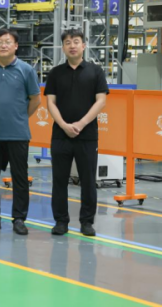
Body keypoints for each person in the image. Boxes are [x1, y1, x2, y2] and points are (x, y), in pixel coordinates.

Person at [0, 29, 41, 236]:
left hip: (18, 133)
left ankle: (19, 219)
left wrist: (20, 117)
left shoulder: (26, 70)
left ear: (16, 46)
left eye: (7, 42)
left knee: (20, 178)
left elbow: (36, 99)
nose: (3, 45)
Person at [45, 28, 108, 237]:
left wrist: (81, 124)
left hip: (87, 136)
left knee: (88, 180)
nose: (72, 46)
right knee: (59, 180)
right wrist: (64, 125)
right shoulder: (55, 73)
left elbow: (101, 101)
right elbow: (50, 102)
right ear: (63, 47)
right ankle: (60, 221)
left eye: (76, 41)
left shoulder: (95, 71)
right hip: (60, 135)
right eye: (68, 42)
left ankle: (87, 222)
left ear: (84, 45)